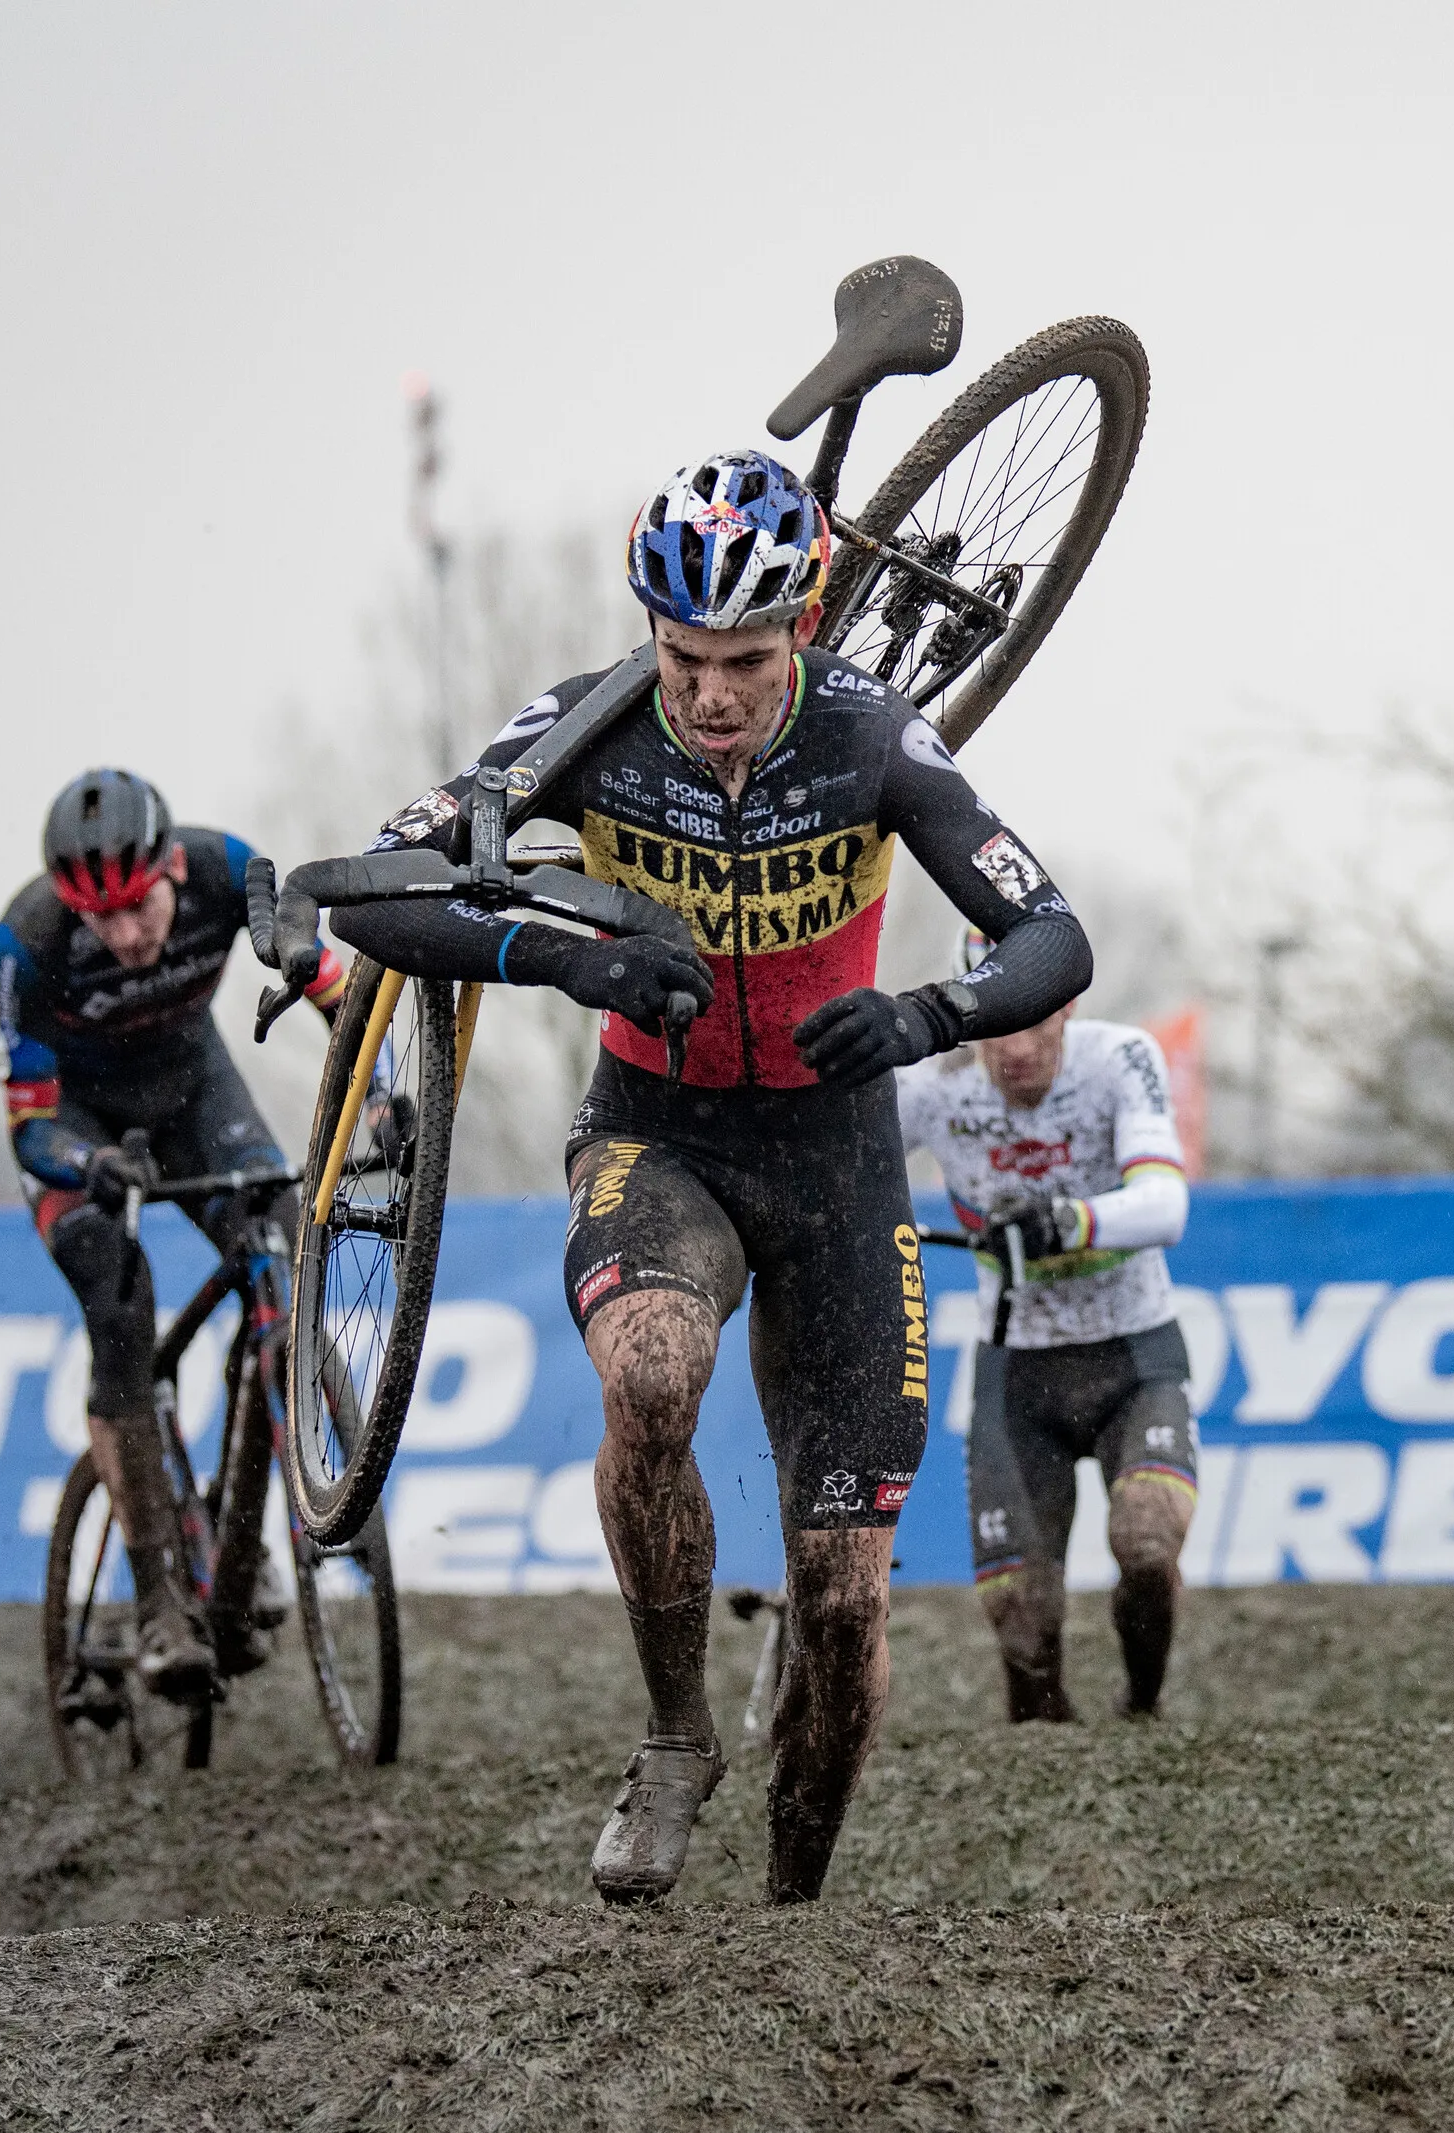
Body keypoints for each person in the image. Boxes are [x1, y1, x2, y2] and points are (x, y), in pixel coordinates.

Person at [329, 449, 1092, 1908]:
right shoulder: (594, 725)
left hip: (839, 1159)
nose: (714, 695)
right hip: (657, 1135)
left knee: (844, 1606)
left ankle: (791, 1913)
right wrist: (575, 956)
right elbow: (387, 885)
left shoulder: (875, 739)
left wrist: (933, 1014)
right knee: (655, 1373)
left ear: (803, 627)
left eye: (745, 660)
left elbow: (1052, 935)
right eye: (686, 658)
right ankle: (675, 1739)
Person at [0, 770, 349, 1702]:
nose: (126, 935)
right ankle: (157, 1597)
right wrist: (88, 1162)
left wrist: (381, 1099)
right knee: (121, 1302)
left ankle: (242, 1541)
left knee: (282, 1239)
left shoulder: (228, 869)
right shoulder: (26, 943)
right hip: (80, 1131)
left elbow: (332, 989)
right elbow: (29, 1123)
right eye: (100, 920)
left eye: (139, 908)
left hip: (193, 1088)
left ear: (171, 869)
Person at [897, 939, 1194, 1723]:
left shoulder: (1119, 1058)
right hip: (1017, 1370)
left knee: (1147, 1540)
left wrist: (1070, 1219)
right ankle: (1044, 1733)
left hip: (1133, 1350)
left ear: (1068, 1006)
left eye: (1036, 1023)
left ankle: (1143, 1707)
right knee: (1017, 1604)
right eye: (996, 1026)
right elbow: (822, 1161)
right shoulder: (932, 1086)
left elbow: (1165, 1207)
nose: (1018, 1050)